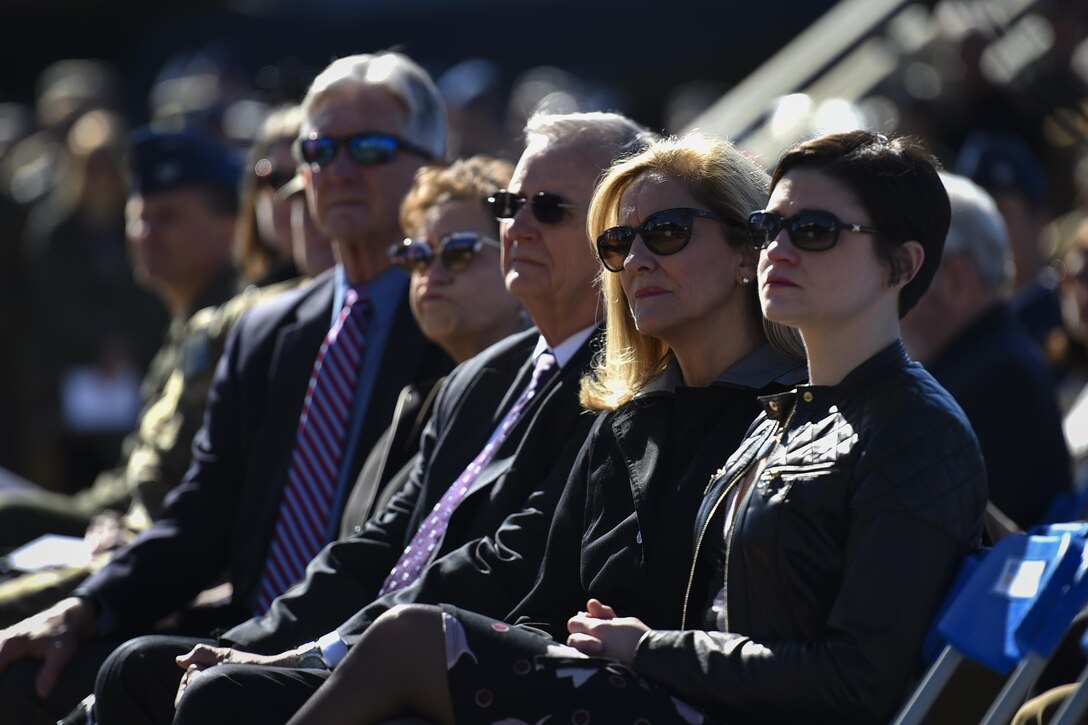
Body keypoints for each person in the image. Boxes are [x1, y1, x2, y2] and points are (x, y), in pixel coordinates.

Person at [283, 130, 988, 725]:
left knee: (413, 639)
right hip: (684, 695)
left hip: (710, 708)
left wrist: (645, 648)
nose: (777, 250)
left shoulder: (915, 428)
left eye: (814, 232)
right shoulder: (786, 417)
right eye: (769, 228)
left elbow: (857, 684)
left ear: (902, 265)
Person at [93, 110, 648, 725]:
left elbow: (503, 562)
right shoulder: (481, 376)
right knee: (138, 670)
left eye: (547, 208)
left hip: (465, 672)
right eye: (508, 205)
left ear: (618, 232)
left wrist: (315, 653)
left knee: (216, 696)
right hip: (364, 640)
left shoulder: (625, 383)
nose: (517, 226)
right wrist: (246, 645)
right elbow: (374, 547)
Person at [0, 50, 454, 724]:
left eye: (370, 148)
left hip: (362, 646)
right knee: (25, 673)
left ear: (432, 169)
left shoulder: (455, 326)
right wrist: (83, 608)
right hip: (239, 628)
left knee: (144, 678)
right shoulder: (269, 329)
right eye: (319, 150)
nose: (338, 170)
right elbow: (200, 515)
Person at [506, 130, 806, 640]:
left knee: (411, 635)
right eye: (619, 243)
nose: (636, 260)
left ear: (746, 251)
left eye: (667, 231)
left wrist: (644, 650)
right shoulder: (621, 425)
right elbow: (544, 610)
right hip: (577, 679)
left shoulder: (806, 416)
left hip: (707, 685)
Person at [0, 125, 241, 553]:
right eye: (139, 217)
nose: (147, 234)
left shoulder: (231, 322)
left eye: (168, 218)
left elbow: (173, 485)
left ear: (230, 227)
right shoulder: (186, 319)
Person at [902, 172, 1071, 529]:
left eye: (906, 266)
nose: (888, 286)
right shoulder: (994, 361)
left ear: (957, 279)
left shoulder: (1001, 379)